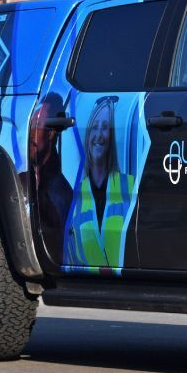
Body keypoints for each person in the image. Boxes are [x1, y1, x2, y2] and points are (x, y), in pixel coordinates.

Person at [63, 96, 135, 269]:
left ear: (112, 136)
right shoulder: (75, 195)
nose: (99, 135)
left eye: (105, 128)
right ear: (88, 136)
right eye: (94, 127)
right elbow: (71, 254)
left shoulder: (130, 186)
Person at [30, 93, 74, 263]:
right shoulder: (22, 179)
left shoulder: (62, 195)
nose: (31, 131)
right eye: (32, 123)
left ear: (51, 134)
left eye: (38, 124)